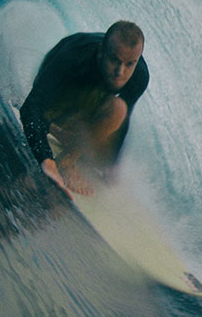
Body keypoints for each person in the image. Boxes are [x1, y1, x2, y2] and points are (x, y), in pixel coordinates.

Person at [20, 21, 148, 196]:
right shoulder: (74, 55)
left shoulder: (139, 75)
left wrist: (112, 161)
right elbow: (30, 107)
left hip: (82, 107)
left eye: (129, 64)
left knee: (118, 110)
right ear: (101, 50)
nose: (120, 72)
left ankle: (65, 145)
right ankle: (64, 160)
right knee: (40, 118)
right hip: (57, 99)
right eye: (114, 60)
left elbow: (125, 117)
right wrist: (46, 159)